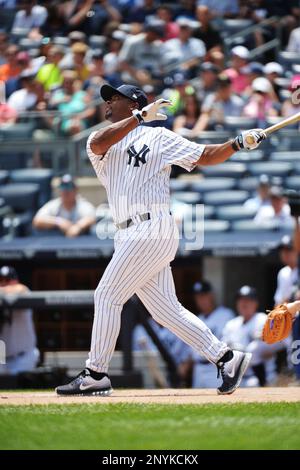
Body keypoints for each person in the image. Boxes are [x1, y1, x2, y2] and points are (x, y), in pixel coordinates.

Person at [56, 82, 267, 396]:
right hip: (128, 232)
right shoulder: (101, 141)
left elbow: (205, 156)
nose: (108, 103)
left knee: (106, 296)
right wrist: (139, 118)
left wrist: (237, 143)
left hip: (150, 226)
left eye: (115, 98)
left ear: (134, 102)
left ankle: (96, 372)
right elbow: (98, 143)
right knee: (166, 311)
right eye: (108, 99)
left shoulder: (159, 136)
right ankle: (226, 357)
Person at [222, 286, 286, 387]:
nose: (244, 303)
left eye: (248, 300)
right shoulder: (231, 324)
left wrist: (265, 342)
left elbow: (282, 342)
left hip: (261, 377)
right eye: (241, 300)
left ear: (256, 303)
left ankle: (263, 383)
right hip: (237, 379)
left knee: (253, 348)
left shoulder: (264, 320)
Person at [190, 281, 234, 388]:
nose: (201, 300)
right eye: (198, 297)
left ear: (211, 296)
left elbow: (230, 343)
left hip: (215, 368)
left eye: (204, 296)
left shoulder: (226, 315)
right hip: (198, 369)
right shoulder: (195, 319)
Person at [0, 266, 40, 375]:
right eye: (1, 280)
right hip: (2, 358)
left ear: (15, 280)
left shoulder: (22, 290)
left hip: (23, 357)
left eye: (7, 280)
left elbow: (20, 289)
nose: (4, 283)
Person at [119, 19, 165, 86]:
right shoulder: (133, 41)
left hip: (151, 81)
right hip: (132, 82)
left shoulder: (158, 44)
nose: (156, 36)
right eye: (155, 33)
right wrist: (136, 75)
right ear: (148, 31)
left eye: (158, 34)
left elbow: (160, 65)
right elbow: (122, 62)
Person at [274, 235, 298, 305]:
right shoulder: (283, 273)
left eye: (289, 249)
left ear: (297, 251)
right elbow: (279, 301)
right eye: (282, 250)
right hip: (290, 313)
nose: (285, 253)